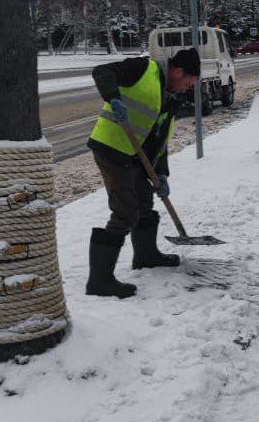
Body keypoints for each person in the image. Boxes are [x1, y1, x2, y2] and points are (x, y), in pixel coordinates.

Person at [85, 48, 201, 298]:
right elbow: (102, 71)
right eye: (189, 82)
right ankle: (99, 281)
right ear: (177, 71)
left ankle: (146, 256)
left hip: (134, 156)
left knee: (145, 202)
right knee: (125, 210)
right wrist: (113, 97)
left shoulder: (170, 98)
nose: (188, 88)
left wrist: (161, 174)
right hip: (111, 149)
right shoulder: (142, 69)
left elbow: (158, 140)